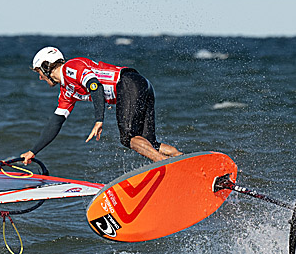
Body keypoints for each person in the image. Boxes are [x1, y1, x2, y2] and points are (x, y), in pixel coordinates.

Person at [20, 47, 182, 165]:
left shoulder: (71, 67)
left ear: (46, 67)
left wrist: (99, 119)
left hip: (128, 84)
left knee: (128, 138)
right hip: (140, 84)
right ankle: (182, 159)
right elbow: (56, 122)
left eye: (39, 72)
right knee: (149, 143)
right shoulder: (66, 92)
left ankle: (165, 165)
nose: (40, 78)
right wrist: (34, 151)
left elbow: (94, 85)